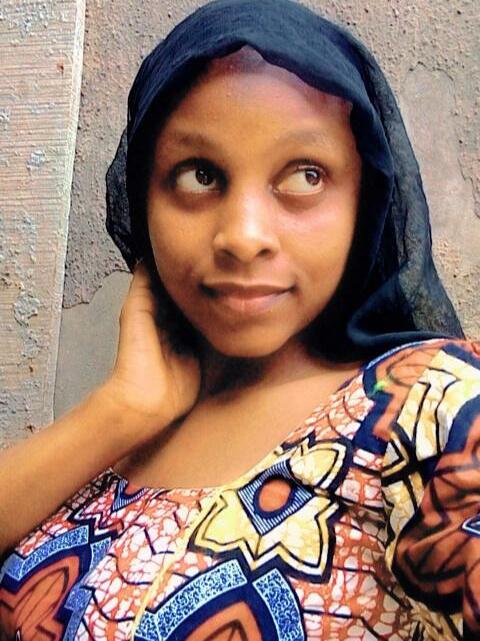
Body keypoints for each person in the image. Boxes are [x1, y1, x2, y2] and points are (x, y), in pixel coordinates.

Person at [0, 0, 478, 639]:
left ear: (364, 202)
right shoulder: (120, 438)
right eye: (199, 175)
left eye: (305, 175)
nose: (244, 236)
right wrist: (120, 410)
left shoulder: (429, 408)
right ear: (144, 198)